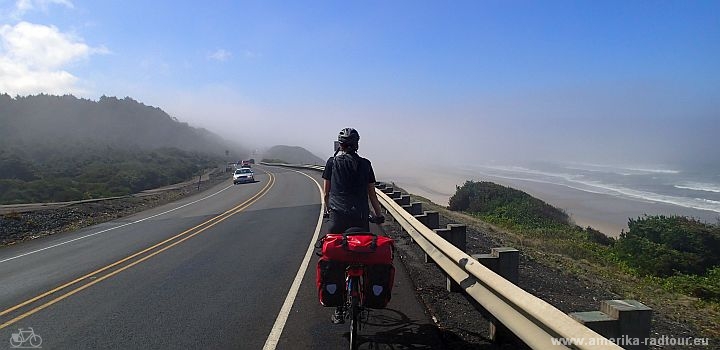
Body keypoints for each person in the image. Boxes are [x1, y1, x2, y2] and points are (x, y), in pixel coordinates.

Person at [321, 127, 384, 324]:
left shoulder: (332, 162)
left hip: (338, 218)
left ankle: (339, 309)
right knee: (363, 253)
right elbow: (372, 194)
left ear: (340, 145)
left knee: (337, 259)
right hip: (360, 218)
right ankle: (364, 293)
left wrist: (327, 211)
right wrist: (379, 215)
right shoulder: (366, 164)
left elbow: (326, 193)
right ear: (357, 145)